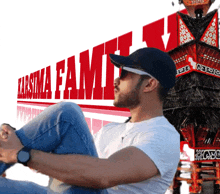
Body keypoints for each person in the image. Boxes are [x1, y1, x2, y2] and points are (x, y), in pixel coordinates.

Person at [0, 47, 180, 194]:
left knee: (67, 115)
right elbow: (66, 165)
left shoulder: (163, 136)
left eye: (124, 73)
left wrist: (21, 154)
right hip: (66, 190)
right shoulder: (110, 130)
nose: (116, 80)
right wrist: (14, 139)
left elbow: (104, 175)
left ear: (149, 84)